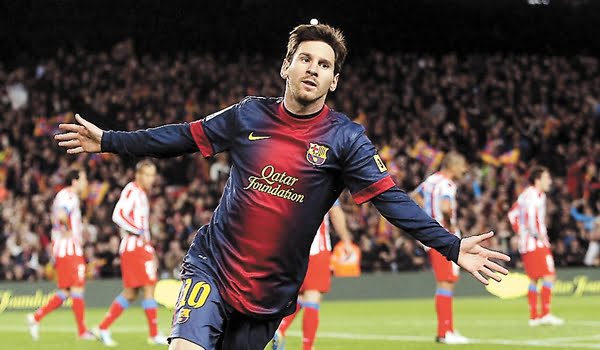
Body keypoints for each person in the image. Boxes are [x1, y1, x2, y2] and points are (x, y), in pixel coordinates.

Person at [55, 23, 510, 350]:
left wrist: (451, 246)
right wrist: (109, 141)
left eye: (324, 64)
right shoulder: (248, 115)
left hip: (269, 293)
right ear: (286, 67)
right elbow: (179, 136)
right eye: (305, 59)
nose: (313, 68)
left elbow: (391, 201)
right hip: (212, 266)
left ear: (335, 80)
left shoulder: (346, 139)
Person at [93, 160, 168, 346]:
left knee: (131, 294)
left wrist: (149, 244)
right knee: (149, 287)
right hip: (134, 247)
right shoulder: (132, 190)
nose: (152, 179)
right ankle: (153, 334)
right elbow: (118, 215)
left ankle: (102, 327)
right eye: (148, 175)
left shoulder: (141, 194)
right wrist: (139, 233)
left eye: (153, 175)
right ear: (138, 175)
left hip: (139, 247)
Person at [272, 200, 352, 350]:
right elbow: (335, 213)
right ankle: (307, 347)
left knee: (302, 296)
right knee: (313, 295)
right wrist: (346, 240)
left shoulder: (290, 183)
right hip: (315, 247)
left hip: (290, 248)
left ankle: (280, 329)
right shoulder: (327, 179)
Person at [27, 169, 95, 341]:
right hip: (68, 248)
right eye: (84, 179)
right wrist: (68, 230)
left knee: (66, 291)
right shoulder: (69, 196)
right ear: (75, 181)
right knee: (78, 287)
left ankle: (35, 318)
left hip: (65, 247)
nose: (85, 183)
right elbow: (61, 214)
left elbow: (56, 217)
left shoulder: (64, 195)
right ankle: (82, 332)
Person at [411, 152, 469, 344]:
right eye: (462, 166)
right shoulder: (447, 184)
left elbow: (414, 196)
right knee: (445, 282)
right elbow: (445, 207)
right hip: (444, 237)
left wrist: (426, 214)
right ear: (452, 166)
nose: (464, 170)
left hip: (431, 235)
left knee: (447, 281)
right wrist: (451, 220)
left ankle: (448, 328)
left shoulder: (431, 180)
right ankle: (444, 332)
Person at [508, 166, 564, 326]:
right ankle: (545, 314)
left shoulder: (524, 195)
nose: (550, 181)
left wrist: (520, 232)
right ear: (538, 180)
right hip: (536, 242)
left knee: (533, 279)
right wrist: (538, 234)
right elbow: (532, 217)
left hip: (526, 243)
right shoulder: (536, 195)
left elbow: (512, 214)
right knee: (549, 276)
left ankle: (534, 317)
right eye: (547, 178)